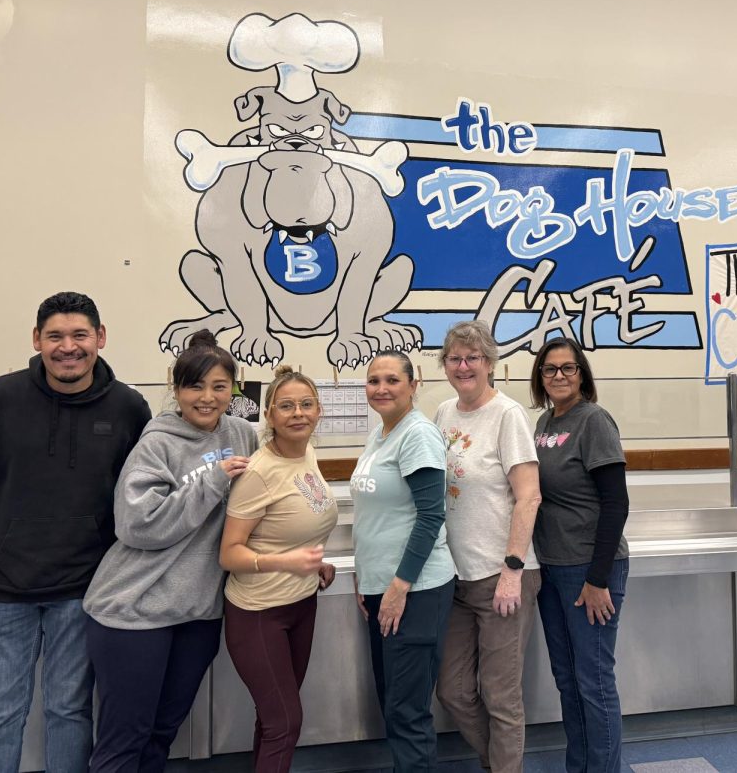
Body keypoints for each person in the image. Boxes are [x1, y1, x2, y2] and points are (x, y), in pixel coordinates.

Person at [0, 291, 152, 773]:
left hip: (86, 593)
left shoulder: (129, 408)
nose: (67, 346)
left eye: (79, 335)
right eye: (55, 335)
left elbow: (145, 500)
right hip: (0, 593)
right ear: (37, 340)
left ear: (100, 338)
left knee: (70, 713)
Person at [82, 329, 257, 773]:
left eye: (220, 387)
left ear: (233, 390)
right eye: (195, 386)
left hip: (198, 612)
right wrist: (212, 480)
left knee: (162, 734)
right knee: (125, 740)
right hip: (135, 609)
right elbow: (137, 524)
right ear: (176, 389)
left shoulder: (241, 433)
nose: (207, 398)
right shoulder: (157, 442)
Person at [432, 321, 541, 773]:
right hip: (456, 578)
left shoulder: (508, 414)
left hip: (502, 576)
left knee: (501, 695)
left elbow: (529, 495)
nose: (463, 366)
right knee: (453, 690)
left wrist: (513, 570)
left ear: (490, 364)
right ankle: (496, 764)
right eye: (455, 358)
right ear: (445, 365)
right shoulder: (442, 413)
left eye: (473, 358)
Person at [219, 366, 338, 773]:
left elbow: (289, 526)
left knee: (274, 721)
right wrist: (285, 562)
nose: (297, 413)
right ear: (269, 416)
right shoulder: (257, 472)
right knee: (286, 722)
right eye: (285, 406)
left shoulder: (306, 453)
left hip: (302, 603)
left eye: (306, 405)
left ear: (319, 411)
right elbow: (229, 554)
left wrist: (314, 562)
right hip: (258, 613)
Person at [529, 337, 630, 773]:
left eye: (568, 369)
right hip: (550, 568)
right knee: (567, 679)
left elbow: (616, 503)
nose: (559, 377)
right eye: (550, 370)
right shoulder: (543, 424)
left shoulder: (594, 421)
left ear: (582, 374)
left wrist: (598, 579)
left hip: (588, 570)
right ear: (540, 378)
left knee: (593, 680)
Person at [351, 349, 455, 772]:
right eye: (374, 380)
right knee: (393, 704)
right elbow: (377, 515)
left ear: (415, 385)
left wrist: (397, 587)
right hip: (384, 587)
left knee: (408, 711)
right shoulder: (380, 434)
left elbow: (431, 516)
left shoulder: (418, 434)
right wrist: (366, 578)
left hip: (416, 590)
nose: (381, 388)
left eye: (392, 380)